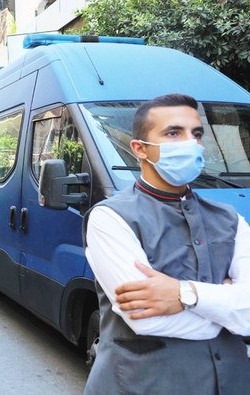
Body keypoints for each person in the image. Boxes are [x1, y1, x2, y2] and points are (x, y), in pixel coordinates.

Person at [83, 93, 250, 394]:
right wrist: (228, 310)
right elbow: (146, 322)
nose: (191, 142)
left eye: (196, 133)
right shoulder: (110, 217)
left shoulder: (230, 219)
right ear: (140, 149)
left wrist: (185, 294)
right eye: (174, 133)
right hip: (142, 385)